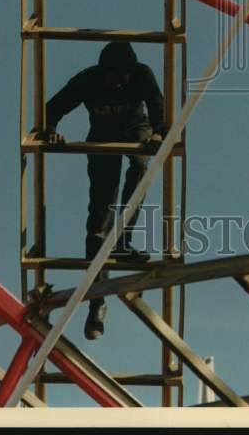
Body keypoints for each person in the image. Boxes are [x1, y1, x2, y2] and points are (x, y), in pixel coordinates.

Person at [35, 40, 166, 339]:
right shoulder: (88, 79)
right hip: (102, 138)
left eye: (123, 78)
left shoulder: (141, 75)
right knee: (98, 219)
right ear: (102, 71)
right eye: (113, 77)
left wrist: (159, 131)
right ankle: (96, 304)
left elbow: (158, 105)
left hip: (136, 130)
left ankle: (123, 241)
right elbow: (52, 108)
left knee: (140, 165)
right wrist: (50, 131)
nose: (118, 82)